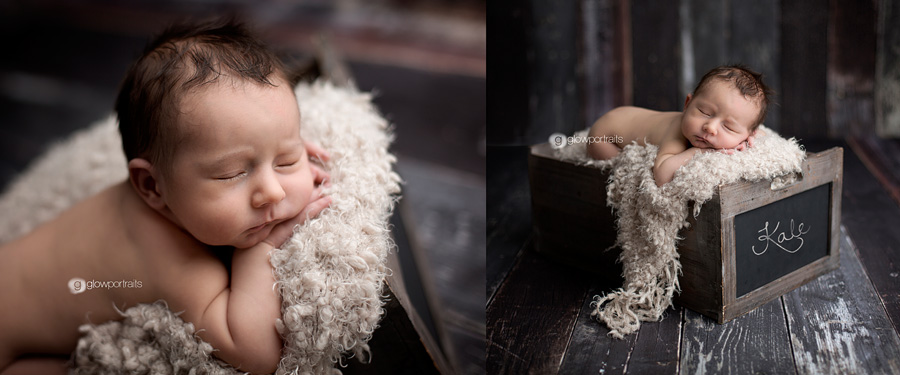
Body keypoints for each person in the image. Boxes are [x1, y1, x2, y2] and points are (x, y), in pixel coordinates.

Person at [0, 18, 331, 375]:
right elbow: (255, 353)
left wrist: (273, 151)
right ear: (152, 187)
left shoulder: (180, 196)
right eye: (232, 172)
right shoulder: (170, 259)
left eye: (286, 159)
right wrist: (262, 248)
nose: (273, 191)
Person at [586, 65, 773, 186]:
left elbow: (759, 135)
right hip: (605, 135)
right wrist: (701, 152)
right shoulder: (677, 135)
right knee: (623, 171)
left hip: (626, 115)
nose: (710, 127)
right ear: (687, 104)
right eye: (705, 113)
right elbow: (661, 175)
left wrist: (747, 139)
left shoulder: (748, 131)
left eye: (729, 127)